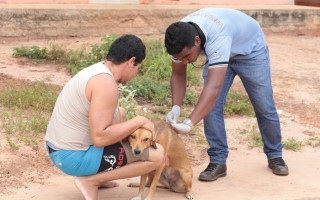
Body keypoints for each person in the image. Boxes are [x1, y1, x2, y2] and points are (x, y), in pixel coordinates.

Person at [164, 8, 289, 182]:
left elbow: (214, 88)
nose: (184, 61)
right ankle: (218, 161)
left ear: (197, 40)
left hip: (250, 51)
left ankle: (275, 155)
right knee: (212, 109)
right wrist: (176, 107)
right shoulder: (178, 38)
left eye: (187, 56)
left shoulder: (217, 34)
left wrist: (189, 123)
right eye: (180, 58)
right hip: (220, 52)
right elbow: (178, 74)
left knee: (264, 105)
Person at [45, 34, 164, 200]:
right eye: (137, 68)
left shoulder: (98, 70)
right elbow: (100, 139)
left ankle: (100, 175)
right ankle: (91, 181)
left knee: (120, 112)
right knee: (158, 156)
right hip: (71, 158)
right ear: (131, 62)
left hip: (58, 148)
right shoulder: (105, 84)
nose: (135, 74)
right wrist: (140, 120)